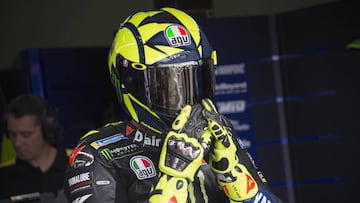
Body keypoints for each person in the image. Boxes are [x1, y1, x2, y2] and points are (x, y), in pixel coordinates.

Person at [64, 7, 283, 203]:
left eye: (195, 81)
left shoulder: (217, 138)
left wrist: (239, 183)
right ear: (129, 83)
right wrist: (173, 181)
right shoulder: (99, 155)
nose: (185, 98)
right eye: (166, 86)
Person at [0, 94, 68, 201]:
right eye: (13, 135)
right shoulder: (4, 176)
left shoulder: (77, 164)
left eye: (26, 135)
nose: (17, 143)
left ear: (47, 130)